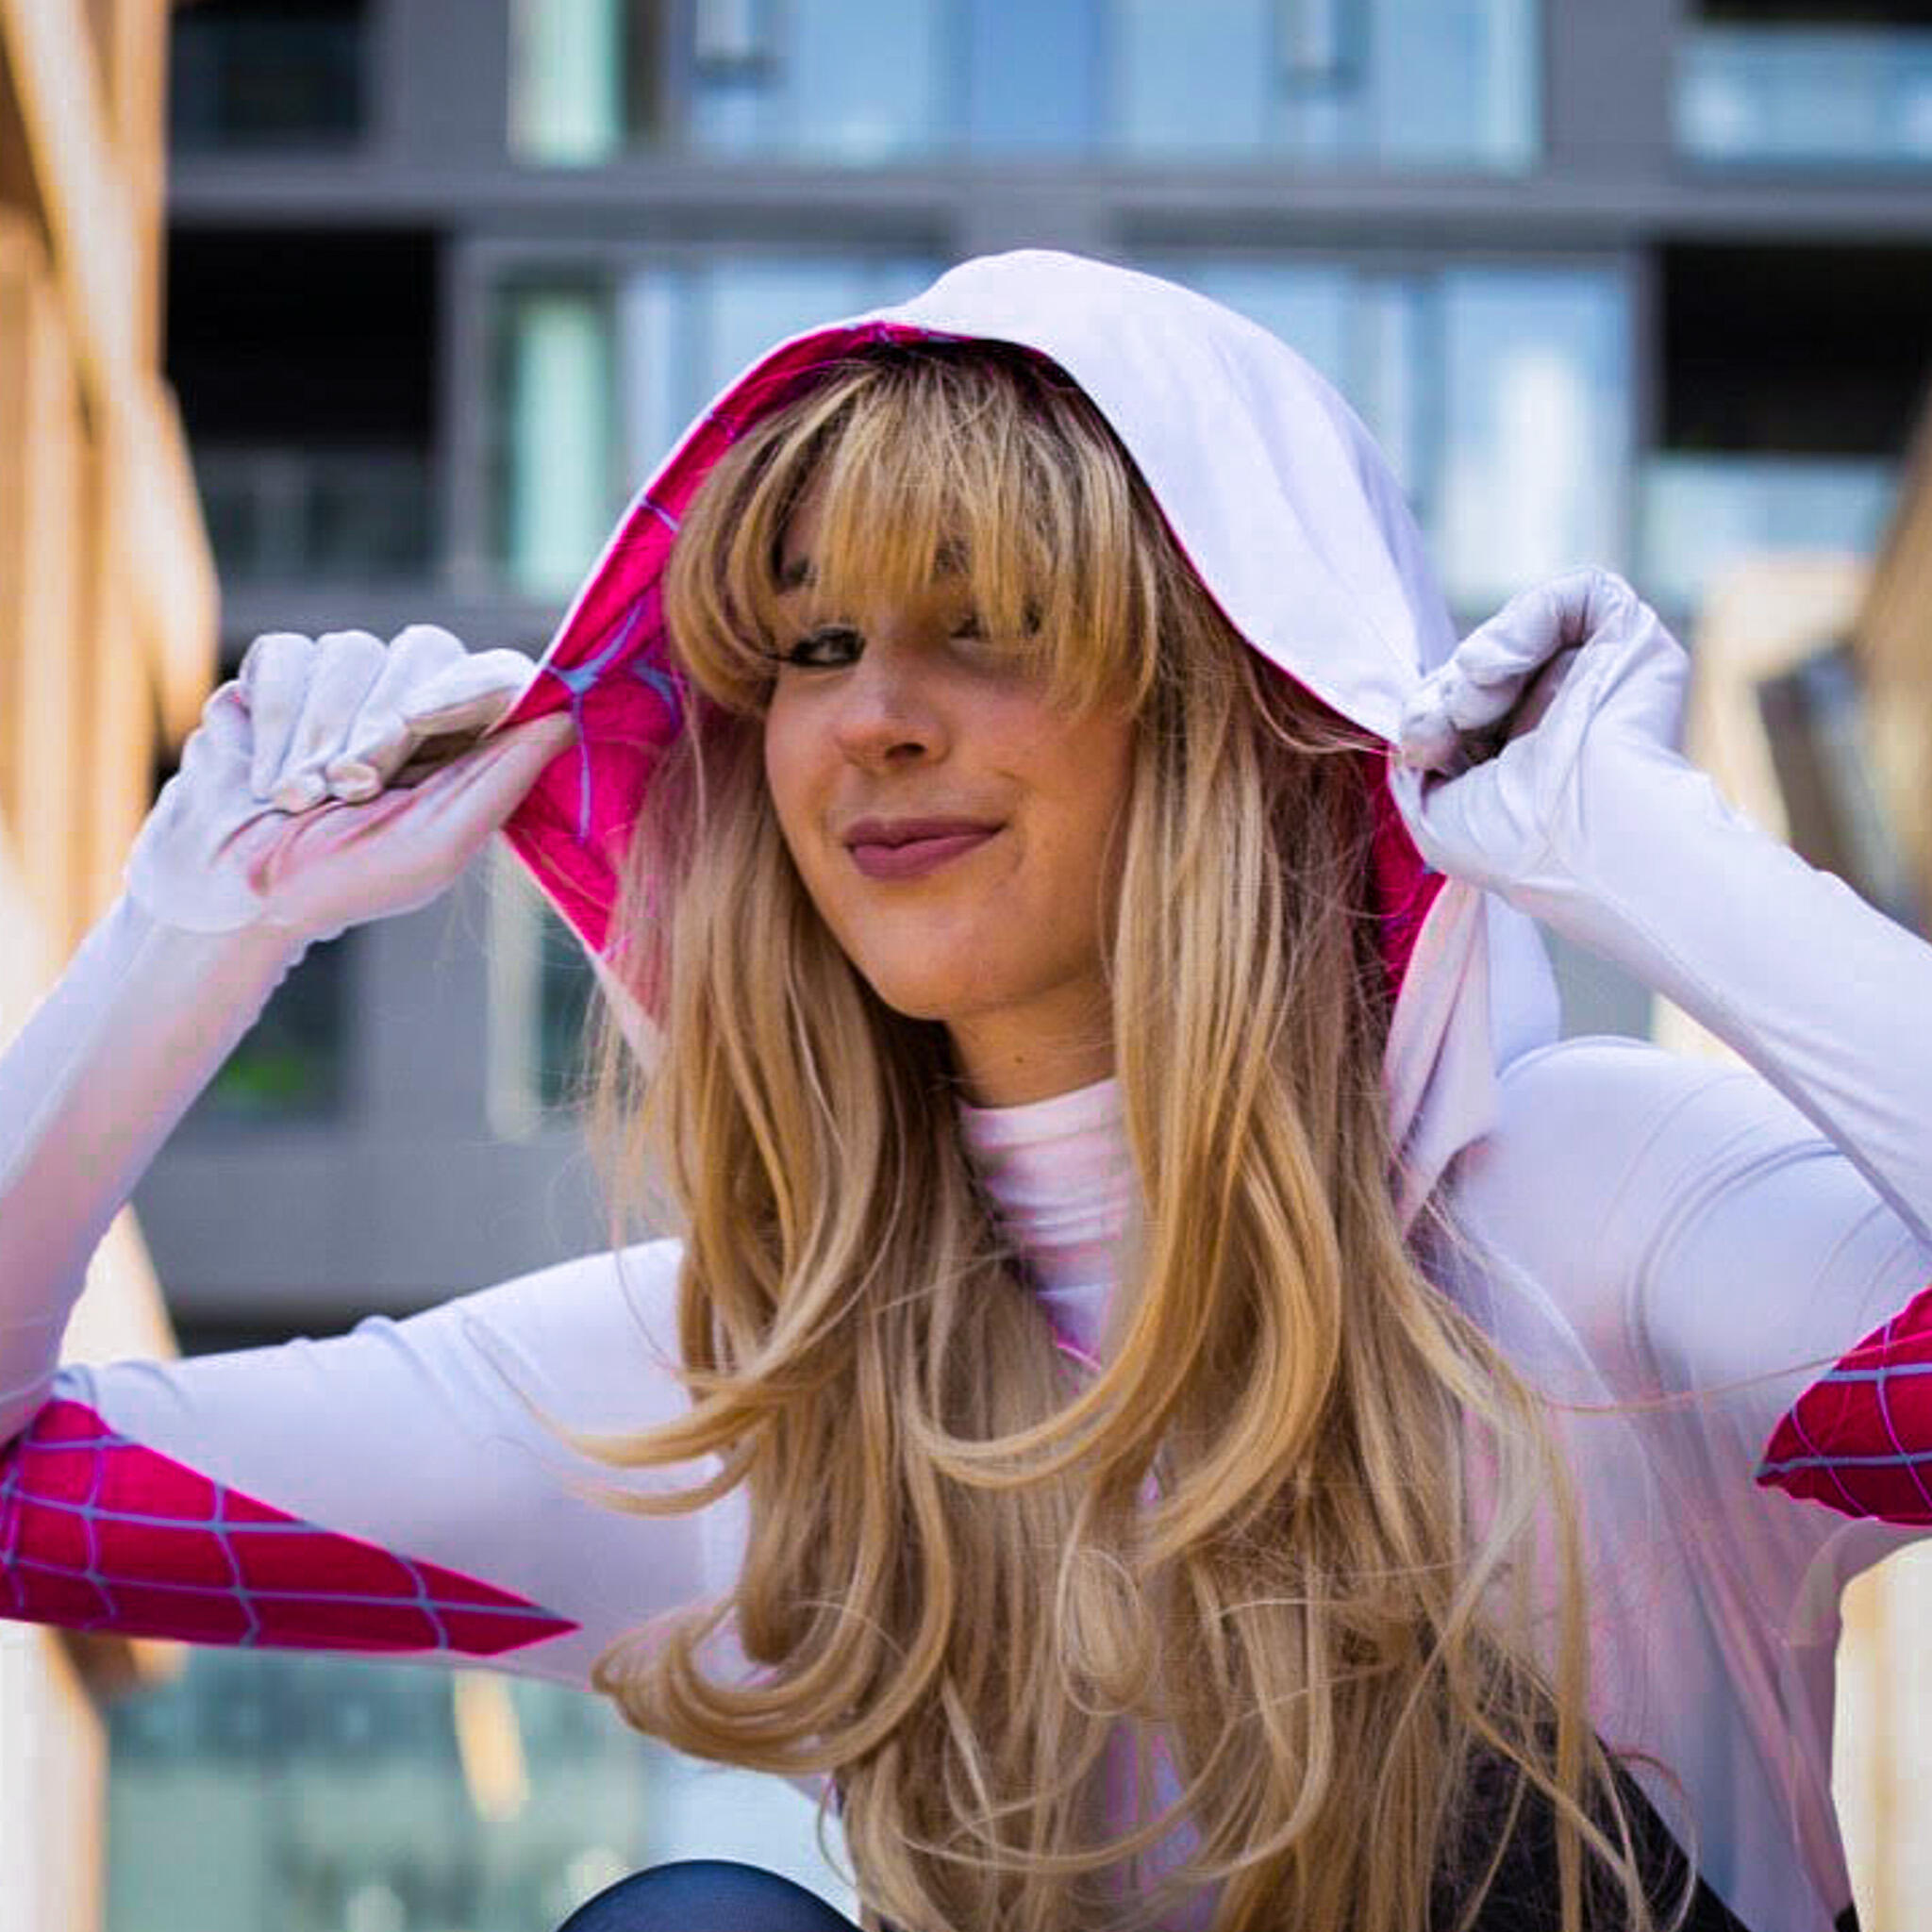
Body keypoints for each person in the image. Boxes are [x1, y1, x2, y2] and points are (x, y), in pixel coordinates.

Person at [1, 251, 1925, 1932]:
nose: (870, 718)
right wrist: (197, 928)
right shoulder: (744, 1382)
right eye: (812, 646)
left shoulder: (1585, 1208)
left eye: (986, 620)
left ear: (1238, 691)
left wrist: (1649, 854)